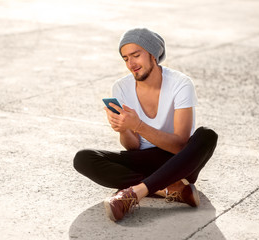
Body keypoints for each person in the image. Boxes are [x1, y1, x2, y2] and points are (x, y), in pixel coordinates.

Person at [73, 28, 218, 222]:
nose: (131, 64)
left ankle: (134, 193)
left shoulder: (181, 84)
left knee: (207, 135)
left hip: (180, 162)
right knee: (83, 158)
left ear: (152, 55)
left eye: (135, 55)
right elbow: (133, 147)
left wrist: (139, 125)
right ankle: (171, 189)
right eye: (125, 58)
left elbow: (180, 146)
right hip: (145, 160)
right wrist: (124, 129)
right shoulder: (121, 87)